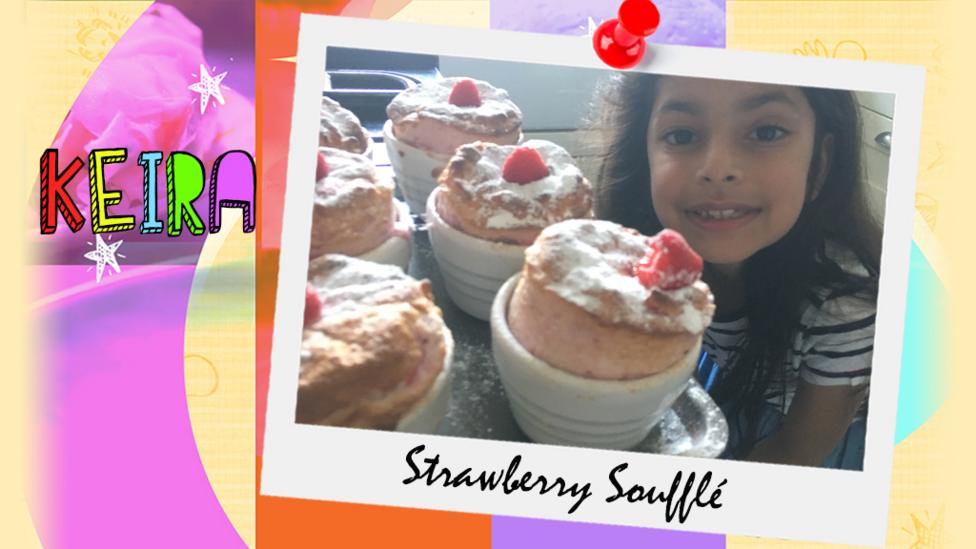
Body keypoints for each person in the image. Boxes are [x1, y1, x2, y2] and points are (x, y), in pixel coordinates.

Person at [591, 73, 881, 469]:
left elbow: (796, 454)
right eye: (681, 136)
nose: (717, 168)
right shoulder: (649, 250)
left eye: (766, 132)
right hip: (727, 387)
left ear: (820, 165)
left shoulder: (844, 302)